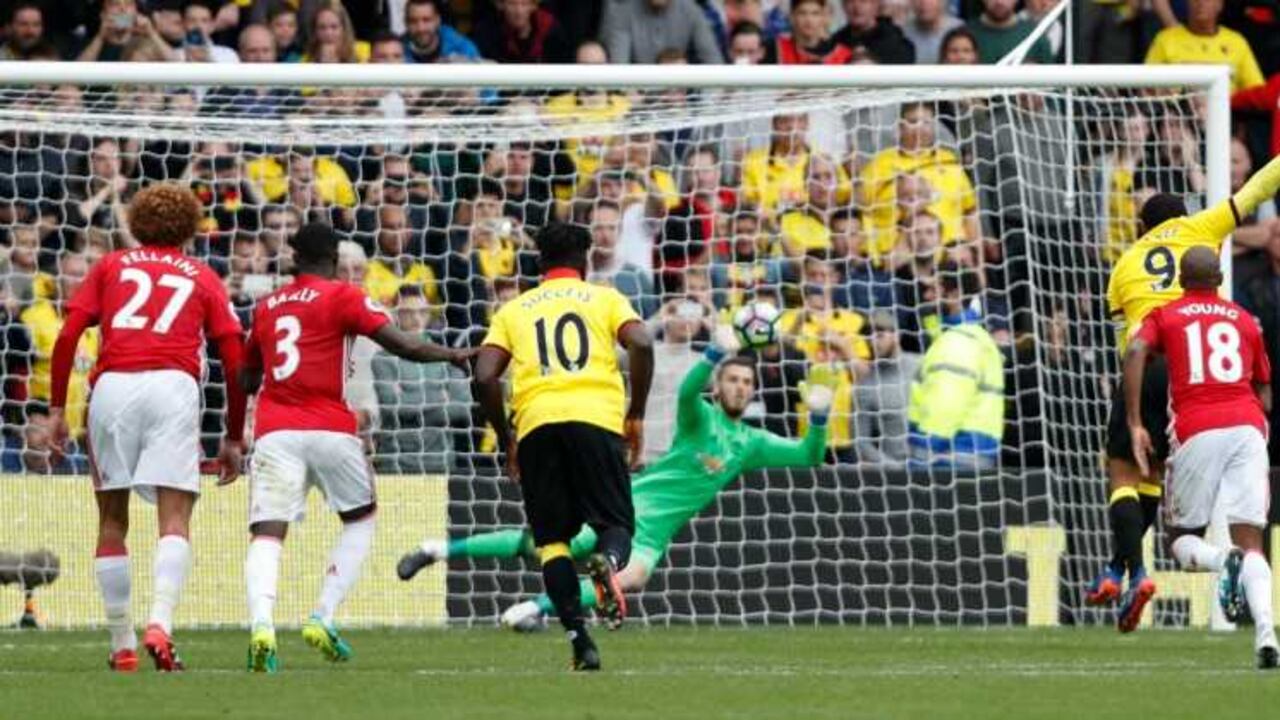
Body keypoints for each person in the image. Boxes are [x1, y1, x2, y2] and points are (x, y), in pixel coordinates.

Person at [399, 333, 832, 632]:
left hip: (657, 531)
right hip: (625, 508)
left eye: (747, 383)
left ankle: (533, 609)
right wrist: (714, 355)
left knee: (634, 575)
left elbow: (809, 457)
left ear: (755, 392)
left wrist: (818, 417)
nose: (740, 388)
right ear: (719, 388)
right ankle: (437, 549)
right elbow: (685, 392)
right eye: (733, 380)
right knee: (544, 548)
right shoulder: (702, 418)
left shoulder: (752, 443)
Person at [236, 222, 474, 674]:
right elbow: (401, 344)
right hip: (330, 426)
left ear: (294, 258)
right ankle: (322, 616)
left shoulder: (267, 307)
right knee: (361, 520)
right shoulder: (343, 296)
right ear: (333, 260)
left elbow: (247, 377)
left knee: (268, 532)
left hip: (275, 430)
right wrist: (451, 355)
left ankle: (262, 626)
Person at [48, 184, 248, 672]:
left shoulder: (111, 266)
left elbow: (70, 333)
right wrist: (235, 433)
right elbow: (234, 351)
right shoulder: (201, 275)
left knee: (112, 521)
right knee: (175, 520)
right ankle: (160, 623)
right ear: (190, 227)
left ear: (136, 223)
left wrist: (57, 408)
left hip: (112, 387)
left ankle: (122, 644)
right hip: (173, 389)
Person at [1089, 150, 1280, 632]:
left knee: (1122, 475)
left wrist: (1132, 412)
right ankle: (1120, 569)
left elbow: (1128, 343)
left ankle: (1134, 571)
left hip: (1150, 361)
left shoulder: (1126, 263)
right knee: (1153, 479)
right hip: (1198, 378)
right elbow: (1256, 189)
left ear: (1142, 228)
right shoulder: (1201, 229)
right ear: (1182, 218)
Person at [463, 222, 654, 671]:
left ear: (538, 263)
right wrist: (637, 412)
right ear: (585, 259)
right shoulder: (605, 298)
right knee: (616, 524)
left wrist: (507, 436)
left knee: (552, 542)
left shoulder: (515, 309)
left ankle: (579, 641)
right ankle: (607, 562)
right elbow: (642, 341)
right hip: (596, 420)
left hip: (537, 426)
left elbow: (485, 375)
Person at [1123, 247, 1277, 668]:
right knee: (1253, 544)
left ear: (1182, 280)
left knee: (1180, 537)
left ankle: (1217, 559)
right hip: (1247, 426)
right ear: (1219, 281)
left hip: (1197, 427)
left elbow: (1136, 351)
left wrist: (1135, 421)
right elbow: (1265, 386)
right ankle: (1266, 634)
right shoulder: (1244, 320)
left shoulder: (1168, 314)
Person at [1145, 0, 1264, 92]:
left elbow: (1255, 89)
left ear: (1219, 5)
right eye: (1195, 0)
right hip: (1177, 117)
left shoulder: (1237, 42)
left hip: (1227, 115)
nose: (1201, 3)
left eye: (1207, 0)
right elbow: (1145, 86)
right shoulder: (1165, 39)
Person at [600, 0, 724, 64]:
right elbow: (619, 67)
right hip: (637, 95)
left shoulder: (691, 10)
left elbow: (713, 61)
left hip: (679, 94)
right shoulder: (623, 13)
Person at [773, 0, 852, 65]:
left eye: (815, 14)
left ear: (823, 18)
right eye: (802, 13)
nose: (809, 20)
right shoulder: (776, 48)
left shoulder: (843, 55)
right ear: (792, 17)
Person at [402, 0, 480, 63]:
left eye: (426, 20)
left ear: (438, 20)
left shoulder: (461, 48)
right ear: (406, 23)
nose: (421, 28)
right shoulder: (396, 50)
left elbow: (484, 80)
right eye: (413, 21)